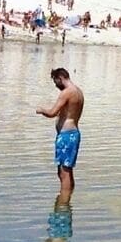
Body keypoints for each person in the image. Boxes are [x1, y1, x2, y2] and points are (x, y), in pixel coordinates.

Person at [36, 68, 84, 204]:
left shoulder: (67, 92)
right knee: (66, 170)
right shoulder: (78, 92)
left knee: (64, 171)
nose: (56, 85)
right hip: (72, 134)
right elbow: (67, 112)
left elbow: (52, 112)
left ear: (60, 78)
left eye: (55, 82)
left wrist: (41, 110)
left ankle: (63, 201)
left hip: (67, 135)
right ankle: (67, 199)